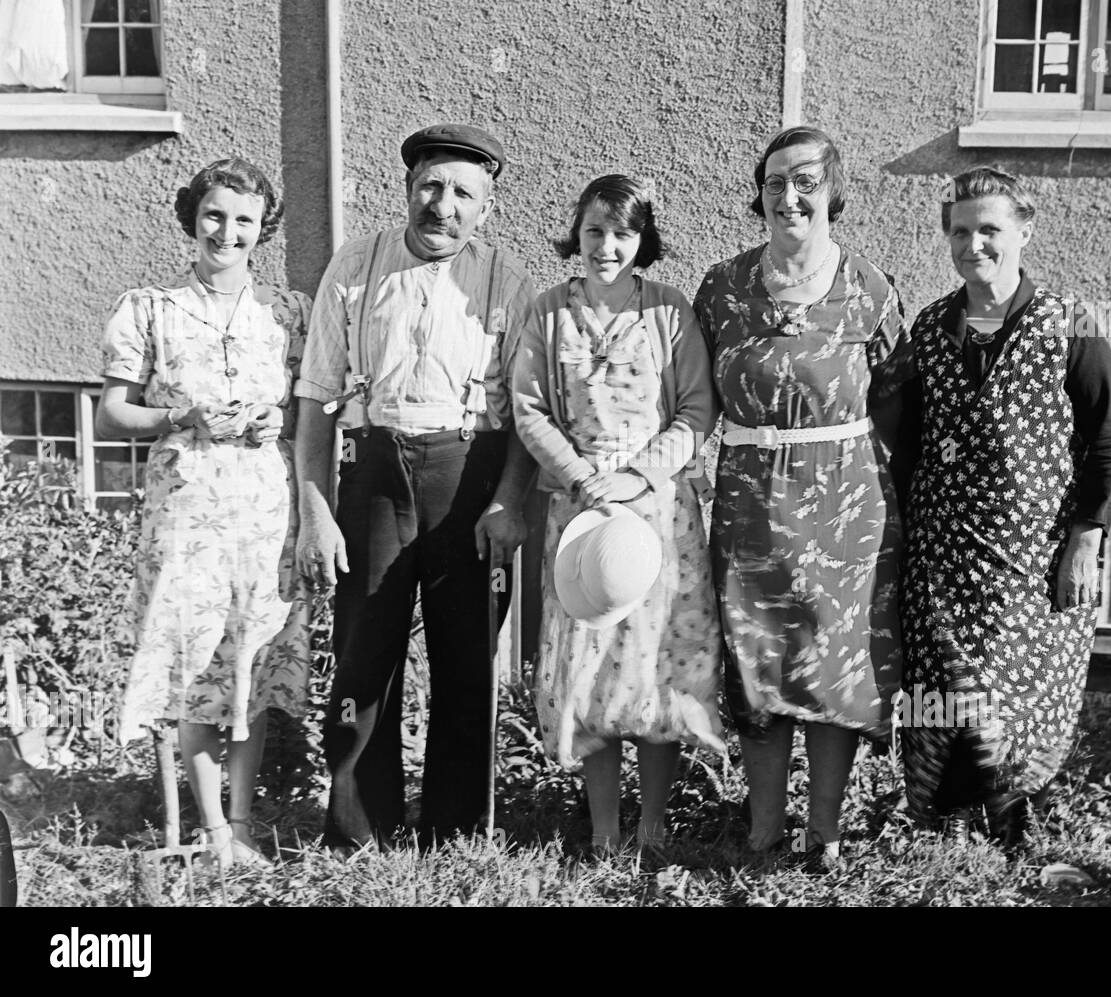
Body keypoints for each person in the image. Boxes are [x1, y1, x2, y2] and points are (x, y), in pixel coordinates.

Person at [294, 124, 536, 852]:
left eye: (464, 193)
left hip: (470, 476)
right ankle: (359, 830)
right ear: (407, 188)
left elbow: (528, 415)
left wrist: (508, 500)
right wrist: (314, 512)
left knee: (467, 661)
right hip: (373, 472)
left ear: (486, 208)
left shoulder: (507, 281)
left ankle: (455, 830)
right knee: (364, 657)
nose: (444, 205)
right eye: (431, 186)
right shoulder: (357, 265)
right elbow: (314, 399)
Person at [693, 127, 911, 866]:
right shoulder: (721, 287)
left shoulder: (870, 290)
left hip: (847, 510)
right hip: (750, 506)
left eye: (807, 181)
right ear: (759, 193)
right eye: (776, 181)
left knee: (833, 668)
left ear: (833, 193)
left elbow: (898, 402)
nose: (790, 195)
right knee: (758, 664)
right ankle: (763, 827)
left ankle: (825, 829)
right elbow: (692, 399)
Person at [899, 166, 1111, 844]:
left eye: (990, 229)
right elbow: (913, 438)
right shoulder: (932, 327)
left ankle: (1010, 831)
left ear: (1023, 230)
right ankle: (942, 833)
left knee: (1007, 695)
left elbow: (1108, 436)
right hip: (943, 553)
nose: (975, 244)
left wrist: (1088, 536)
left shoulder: (1068, 324)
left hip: (1030, 559)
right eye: (962, 231)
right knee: (941, 692)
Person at [97, 158, 312, 868]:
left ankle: (244, 823)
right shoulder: (150, 308)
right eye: (215, 214)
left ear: (263, 230)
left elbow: (311, 408)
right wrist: (177, 410)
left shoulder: (285, 313)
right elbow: (115, 408)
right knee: (196, 666)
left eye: (244, 219)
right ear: (193, 217)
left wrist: (270, 417)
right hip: (187, 513)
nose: (228, 231)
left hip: (261, 511)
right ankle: (215, 829)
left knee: (248, 659)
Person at [513, 175, 723, 854]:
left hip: (657, 513)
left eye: (622, 233)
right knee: (593, 666)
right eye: (595, 230)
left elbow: (696, 409)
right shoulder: (548, 312)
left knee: (655, 666)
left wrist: (636, 476)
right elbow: (528, 407)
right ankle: (604, 829)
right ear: (577, 231)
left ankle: (654, 825)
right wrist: (582, 476)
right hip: (579, 512)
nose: (607, 245)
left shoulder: (668, 311)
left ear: (643, 240)